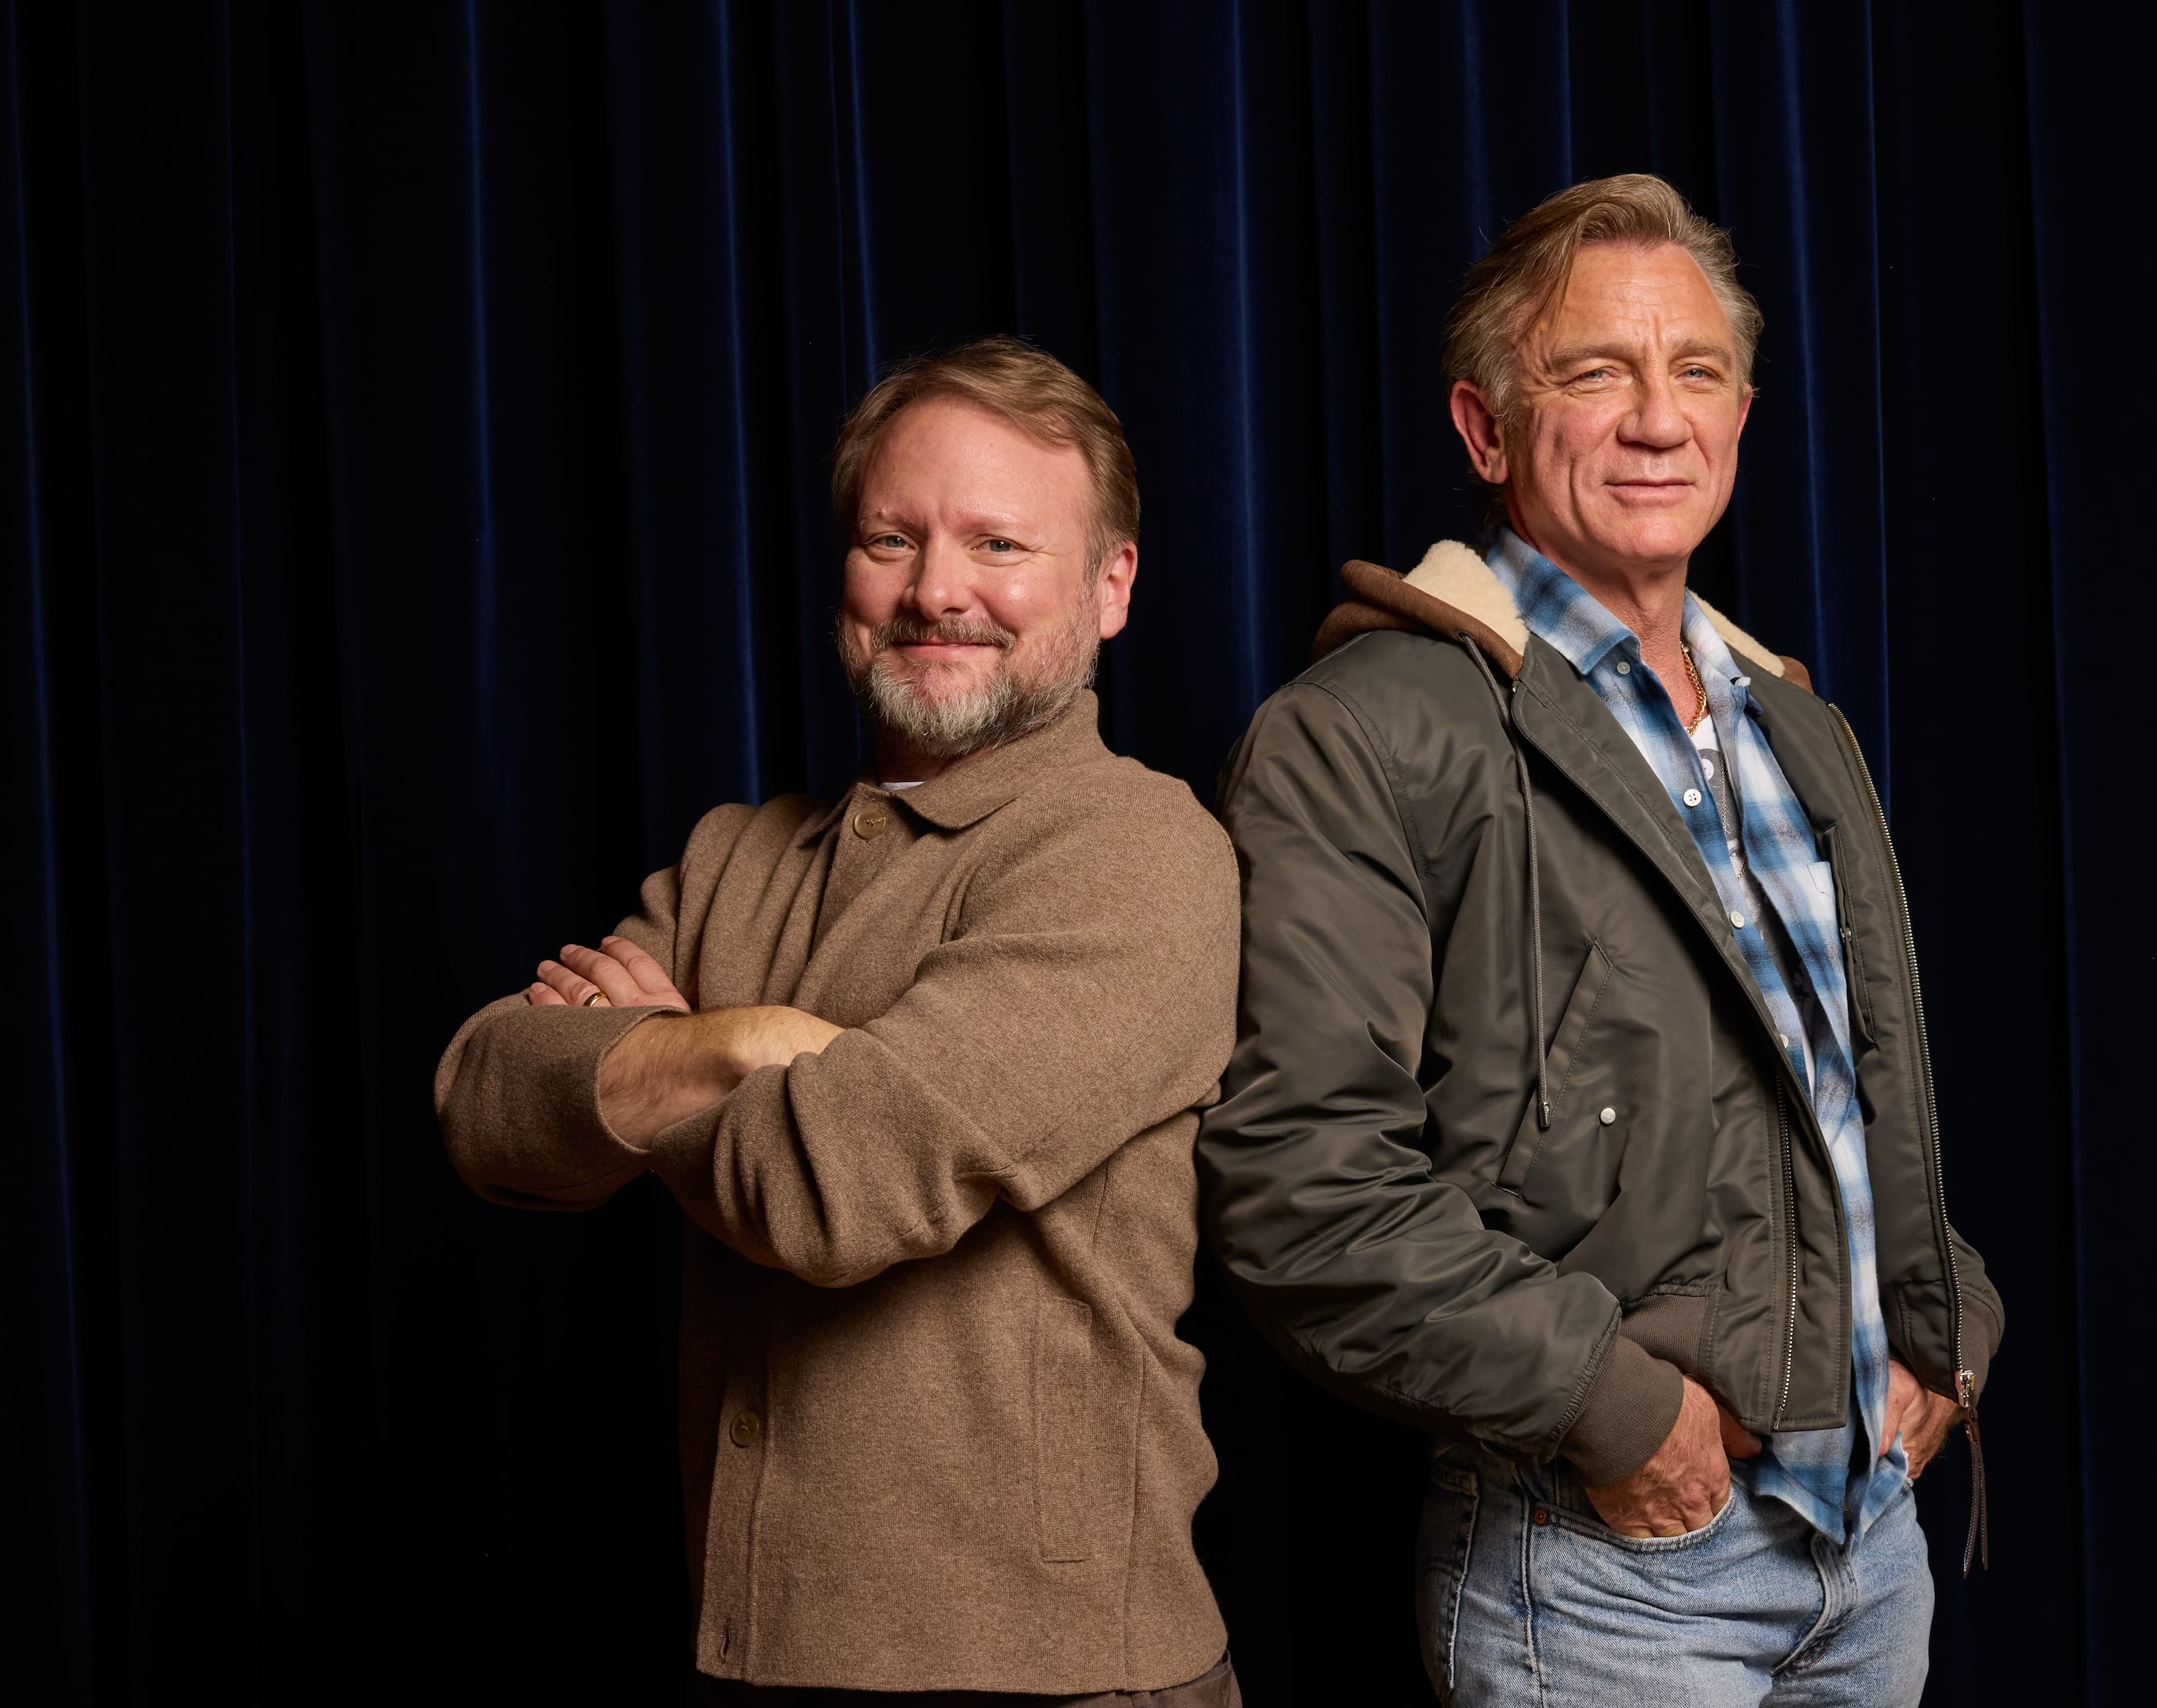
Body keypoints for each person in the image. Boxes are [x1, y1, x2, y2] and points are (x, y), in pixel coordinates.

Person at [1199, 176, 2002, 1706]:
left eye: (1695, 372)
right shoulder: (1364, 734)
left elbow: (1850, 1102)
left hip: (1870, 1546)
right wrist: (1611, 1408)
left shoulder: (1796, 726)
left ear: (1743, 420)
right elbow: (1300, 1182)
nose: (1657, 419)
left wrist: (1945, 1325)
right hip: (1607, 1568)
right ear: (1485, 432)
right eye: (1593, 373)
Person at [436, 337, 1241, 1705]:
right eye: (892, 539)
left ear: (1110, 590)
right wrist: (741, 1043)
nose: (936, 592)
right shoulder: (734, 856)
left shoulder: (1141, 853)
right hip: (749, 1652)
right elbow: (483, 1101)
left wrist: (633, 1071)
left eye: (999, 544)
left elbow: (835, 1190)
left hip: (1052, 1679)